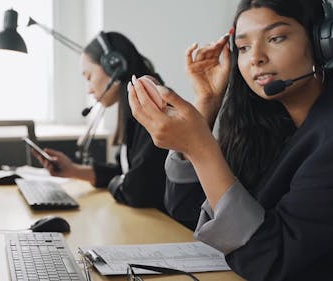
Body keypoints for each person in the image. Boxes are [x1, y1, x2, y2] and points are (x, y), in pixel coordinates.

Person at [128, 0, 333, 279]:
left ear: (323, 41)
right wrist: (207, 104)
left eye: (275, 38)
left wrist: (200, 147)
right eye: (244, 47)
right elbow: (187, 210)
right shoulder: (270, 126)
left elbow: (273, 259)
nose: (255, 58)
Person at [34, 31, 169, 209]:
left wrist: (119, 184)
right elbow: (126, 173)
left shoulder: (154, 107)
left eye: (88, 77)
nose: (89, 89)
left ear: (115, 67)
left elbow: (137, 190)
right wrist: (73, 170)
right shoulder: (134, 108)